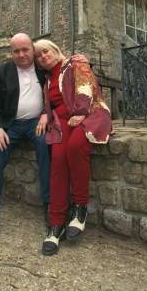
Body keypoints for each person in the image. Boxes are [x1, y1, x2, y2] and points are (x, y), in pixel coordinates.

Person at [34, 39, 112, 256]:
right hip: (62, 123)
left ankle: (80, 208)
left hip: (90, 113)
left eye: (46, 51)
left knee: (76, 146)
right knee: (58, 161)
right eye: (38, 56)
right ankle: (56, 222)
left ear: (56, 50)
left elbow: (86, 86)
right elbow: (50, 107)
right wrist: (45, 117)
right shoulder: (47, 80)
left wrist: (80, 111)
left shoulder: (75, 63)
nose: (43, 56)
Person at [0, 33, 51, 238]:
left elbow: (57, 93)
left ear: (32, 49)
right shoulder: (1, 72)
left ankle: (50, 204)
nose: (21, 54)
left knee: (47, 144)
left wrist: (46, 114)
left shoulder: (43, 68)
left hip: (37, 122)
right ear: (11, 53)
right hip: (12, 124)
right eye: (16, 51)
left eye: (25, 49)